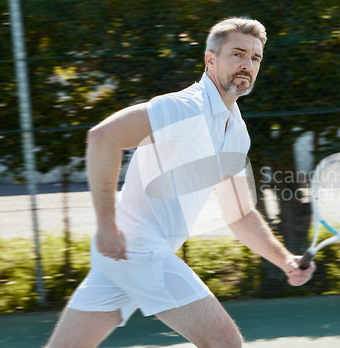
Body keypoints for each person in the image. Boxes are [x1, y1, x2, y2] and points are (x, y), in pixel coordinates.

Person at [46, 17, 315, 348]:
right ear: (210, 60)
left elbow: (239, 214)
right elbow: (103, 136)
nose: (247, 64)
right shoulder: (184, 108)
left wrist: (284, 259)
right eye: (237, 54)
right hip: (140, 251)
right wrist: (106, 224)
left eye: (255, 58)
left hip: (120, 258)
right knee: (225, 342)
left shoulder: (236, 132)